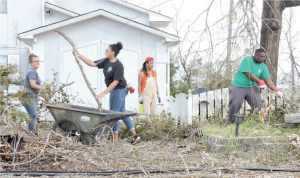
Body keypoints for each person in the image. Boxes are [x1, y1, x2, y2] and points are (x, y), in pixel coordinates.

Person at [73, 42, 140, 144]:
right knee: (122, 113)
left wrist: (103, 93)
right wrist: (79, 55)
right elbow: (92, 63)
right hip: (114, 90)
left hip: (120, 90)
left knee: (114, 114)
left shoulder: (119, 65)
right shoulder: (105, 61)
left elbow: (116, 81)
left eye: (107, 50)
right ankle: (135, 135)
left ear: (113, 52)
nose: (105, 52)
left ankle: (115, 139)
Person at [229, 48, 283, 124]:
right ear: (256, 55)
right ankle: (231, 123)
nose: (263, 58)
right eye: (262, 56)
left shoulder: (263, 66)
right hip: (238, 86)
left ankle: (264, 124)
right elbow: (248, 73)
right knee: (235, 103)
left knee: (259, 106)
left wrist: (276, 90)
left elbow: (268, 80)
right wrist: (259, 81)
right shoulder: (247, 60)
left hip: (252, 87)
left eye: (264, 57)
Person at [22, 53, 46, 131]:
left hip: (32, 97)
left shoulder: (33, 72)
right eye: (35, 61)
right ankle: (31, 133)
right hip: (29, 97)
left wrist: (41, 87)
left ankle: (32, 132)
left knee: (33, 115)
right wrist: (43, 88)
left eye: (38, 61)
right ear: (31, 63)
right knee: (33, 115)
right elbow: (33, 85)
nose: (38, 62)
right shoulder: (31, 72)